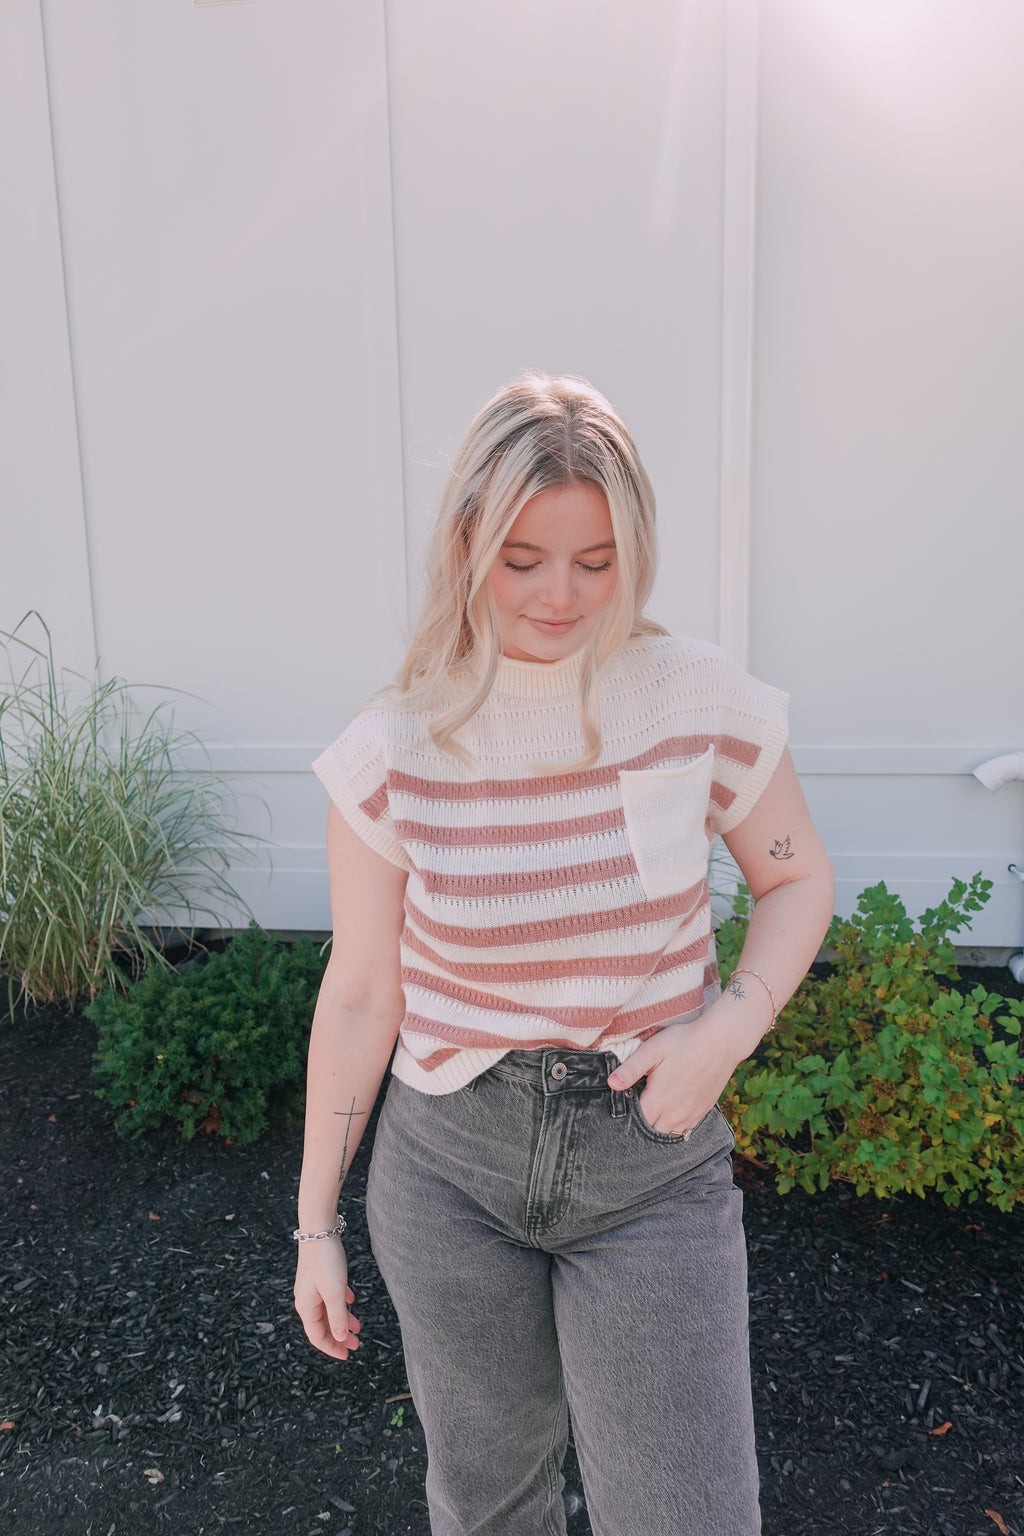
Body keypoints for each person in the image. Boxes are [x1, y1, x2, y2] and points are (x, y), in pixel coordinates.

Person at [293, 373, 834, 1536]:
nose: (560, 595)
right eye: (523, 557)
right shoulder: (392, 746)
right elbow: (360, 996)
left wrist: (727, 1028)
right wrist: (315, 1226)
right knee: (488, 1508)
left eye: (595, 561)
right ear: (463, 542)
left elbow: (795, 880)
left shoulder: (695, 697)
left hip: (651, 1161)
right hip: (448, 1170)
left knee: (688, 1515)